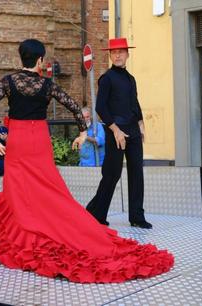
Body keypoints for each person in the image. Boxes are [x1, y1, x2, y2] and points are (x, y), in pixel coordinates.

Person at [0, 39, 173, 283]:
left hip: (17, 140)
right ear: (40, 61)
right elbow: (73, 106)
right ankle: (61, 223)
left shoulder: (8, 82)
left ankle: (26, 231)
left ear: (22, 58)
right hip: (39, 139)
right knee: (49, 187)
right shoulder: (47, 84)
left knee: (18, 188)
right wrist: (82, 133)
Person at [86, 38, 152, 229]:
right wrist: (115, 129)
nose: (117, 55)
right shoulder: (107, 78)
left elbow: (134, 103)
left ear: (127, 54)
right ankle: (95, 214)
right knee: (111, 174)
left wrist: (141, 125)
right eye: (114, 52)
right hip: (115, 131)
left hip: (133, 130)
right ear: (110, 55)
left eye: (121, 52)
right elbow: (100, 107)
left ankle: (137, 217)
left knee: (136, 173)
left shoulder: (131, 78)